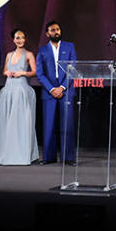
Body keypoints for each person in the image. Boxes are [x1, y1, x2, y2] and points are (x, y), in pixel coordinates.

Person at [0, 28, 39, 165]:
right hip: (8, 89)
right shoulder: (9, 55)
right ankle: (6, 151)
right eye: (17, 38)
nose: (20, 40)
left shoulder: (29, 54)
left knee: (20, 122)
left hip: (21, 90)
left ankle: (21, 153)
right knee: (5, 122)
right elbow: (4, 71)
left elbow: (34, 72)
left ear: (25, 39)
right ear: (13, 40)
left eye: (22, 37)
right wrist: (8, 72)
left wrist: (22, 73)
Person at [35, 20, 77, 164]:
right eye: (52, 30)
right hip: (49, 92)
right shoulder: (42, 50)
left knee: (68, 125)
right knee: (49, 126)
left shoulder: (69, 47)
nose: (56, 32)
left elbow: (73, 69)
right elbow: (39, 73)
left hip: (66, 91)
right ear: (47, 33)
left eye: (58, 29)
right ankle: (49, 157)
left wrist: (62, 87)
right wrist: (52, 89)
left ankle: (69, 158)